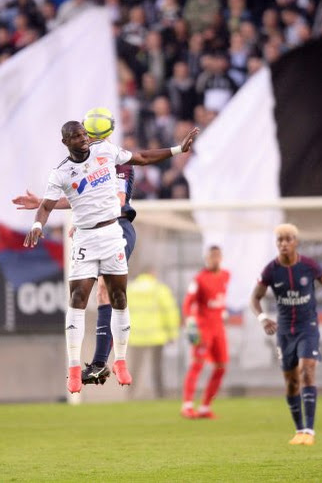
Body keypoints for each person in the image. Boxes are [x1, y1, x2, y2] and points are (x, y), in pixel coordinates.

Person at [23, 121, 198, 393]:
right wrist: (37, 225)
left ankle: (119, 361)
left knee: (118, 296)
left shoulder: (105, 151)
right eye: (76, 136)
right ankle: (72, 368)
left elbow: (141, 157)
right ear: (65, 142)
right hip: (84, 238)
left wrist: (177, 149)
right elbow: (46, 205)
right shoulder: (60, 173)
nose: (82, 138)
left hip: (112, 233)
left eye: (84, 133)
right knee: (78, 298)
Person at [13, 112, 138, 387]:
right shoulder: (79, 165)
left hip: (118, 226)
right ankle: (98, 364)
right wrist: (45, 205)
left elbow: (114, 199)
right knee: (86, 295)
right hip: (93, 231)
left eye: (89, 135)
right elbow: (81, 196)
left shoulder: (118, 162)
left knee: (108, 290)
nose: (86, 141)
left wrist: (88, 221)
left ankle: (102, 362)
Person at [250, 223, 322, 446]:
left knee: (307, 370)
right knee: (291, 383)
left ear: (296, 242)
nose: (283, 244)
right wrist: (263, 318)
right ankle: (299, 430)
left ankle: (310, 430)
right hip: (284, 332)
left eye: (288, 239)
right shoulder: (271, 270)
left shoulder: (309, 265)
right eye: (279, 240)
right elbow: (255, 298)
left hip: (307, 327)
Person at [181, 245, 230, 419]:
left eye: (217, 255)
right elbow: (188, 303)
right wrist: (190, 323)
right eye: (211, 256)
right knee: (197, 364)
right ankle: (187, 405)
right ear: (206, 258)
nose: (214, 259)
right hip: (204, 328)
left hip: (219, 329)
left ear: (221, 257)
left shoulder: (226, 275)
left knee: (221, 367)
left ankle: (205, 407)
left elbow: (219, 299)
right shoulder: (199, 279)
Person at [126, 268, 180, 399]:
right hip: (157, 335)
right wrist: (172, 333)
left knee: (135, 368)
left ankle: (130, 394)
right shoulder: (159, 289)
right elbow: (170, 312)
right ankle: (160, 395)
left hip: (136, 336)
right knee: (157, 368)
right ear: (152, 273)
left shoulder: (129, 289)